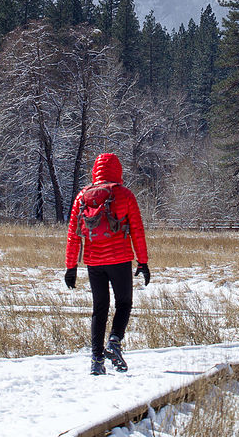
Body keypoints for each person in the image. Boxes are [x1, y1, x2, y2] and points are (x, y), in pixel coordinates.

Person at [63, 152, 150, 375]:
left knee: (99, 309)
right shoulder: (124, 195)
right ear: (118, 170)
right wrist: (143, 262)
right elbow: (137, 231)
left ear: (95, 170)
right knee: (124, 303)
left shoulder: (82, 196)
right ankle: (114, 341)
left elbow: (74, 235)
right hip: (120, 259)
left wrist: (71, 267)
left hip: (94, 261)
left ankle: (96, 361)